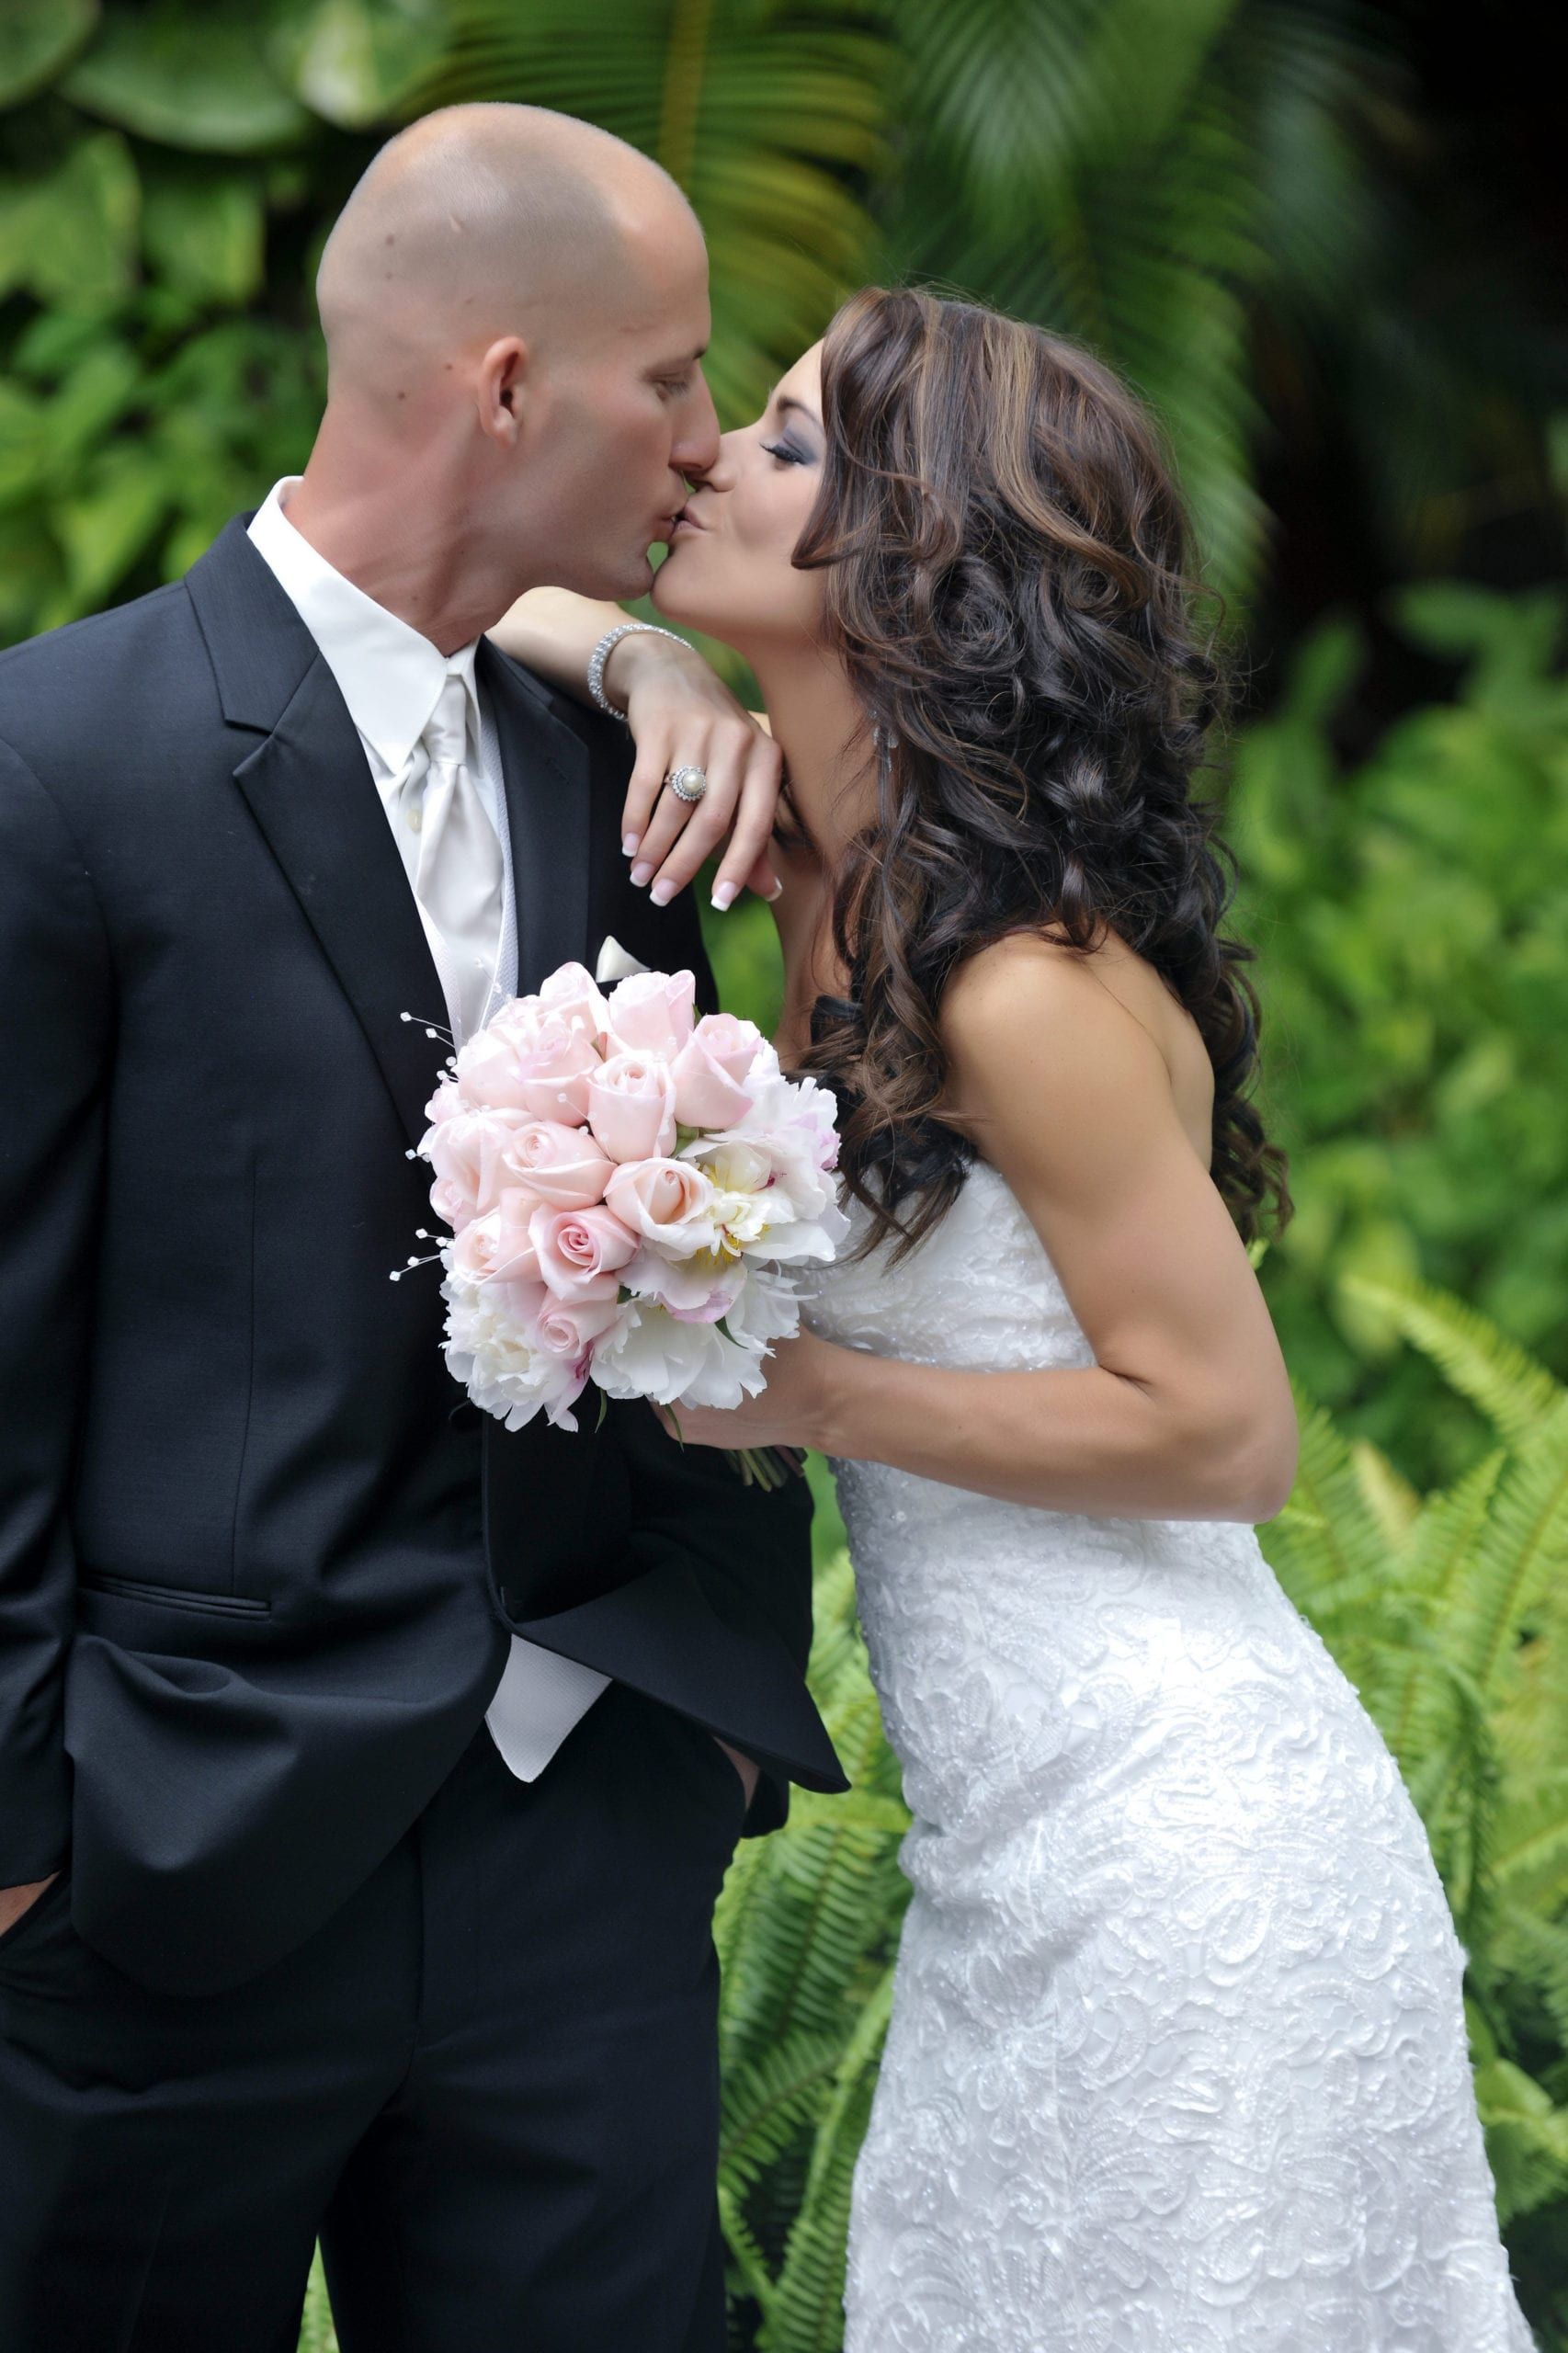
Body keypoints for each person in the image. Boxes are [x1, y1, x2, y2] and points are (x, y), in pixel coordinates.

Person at [494, 286, 1536, 2347]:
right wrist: (651, 661)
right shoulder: (813, 883)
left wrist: (808, 1392)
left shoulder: (1019, 985)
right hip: (1009, 1876)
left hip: (1184, 1851)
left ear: (913, 566)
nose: (704, 456)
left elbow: (1231, 1432)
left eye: (783, 443)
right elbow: (498, 591)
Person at [0, 103, 847, 2353]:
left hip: (579, 1847)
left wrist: (716, 1697)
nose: (699, 438)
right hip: (167, 1861)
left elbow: (724, 1243)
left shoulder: (626, 767)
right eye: (669, 382)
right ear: (502, 388)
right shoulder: (55, 762)